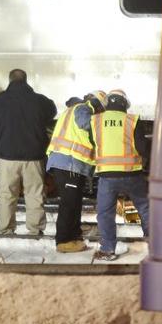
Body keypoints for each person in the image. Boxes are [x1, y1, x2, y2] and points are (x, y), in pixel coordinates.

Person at [0, 69, 57, 235]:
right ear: (26, 81)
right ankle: (35, 230)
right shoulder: (39, 101)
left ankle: (6, 229)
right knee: (35, 194)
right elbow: (52, 111)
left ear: (10, 81)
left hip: (7, 157)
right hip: (34, 157)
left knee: (7, 195)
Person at [91, 89, 151, 261]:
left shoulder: (96, 120)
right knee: (145, 208)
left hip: (107, 175)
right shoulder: (132, 120)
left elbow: (92, 143)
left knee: (105, 213)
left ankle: (108, 250)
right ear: (125, 104)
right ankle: (154, 244)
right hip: (132, 174)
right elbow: (143, 148)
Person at [46, 91, 105, 253]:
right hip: (69, 163)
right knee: (69, 203)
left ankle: (74, 235)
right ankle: (64, 240)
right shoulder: (83, 108)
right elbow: (85, 124)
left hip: (69, 163)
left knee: (75, 201)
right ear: (96, 104)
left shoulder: (74, 109)